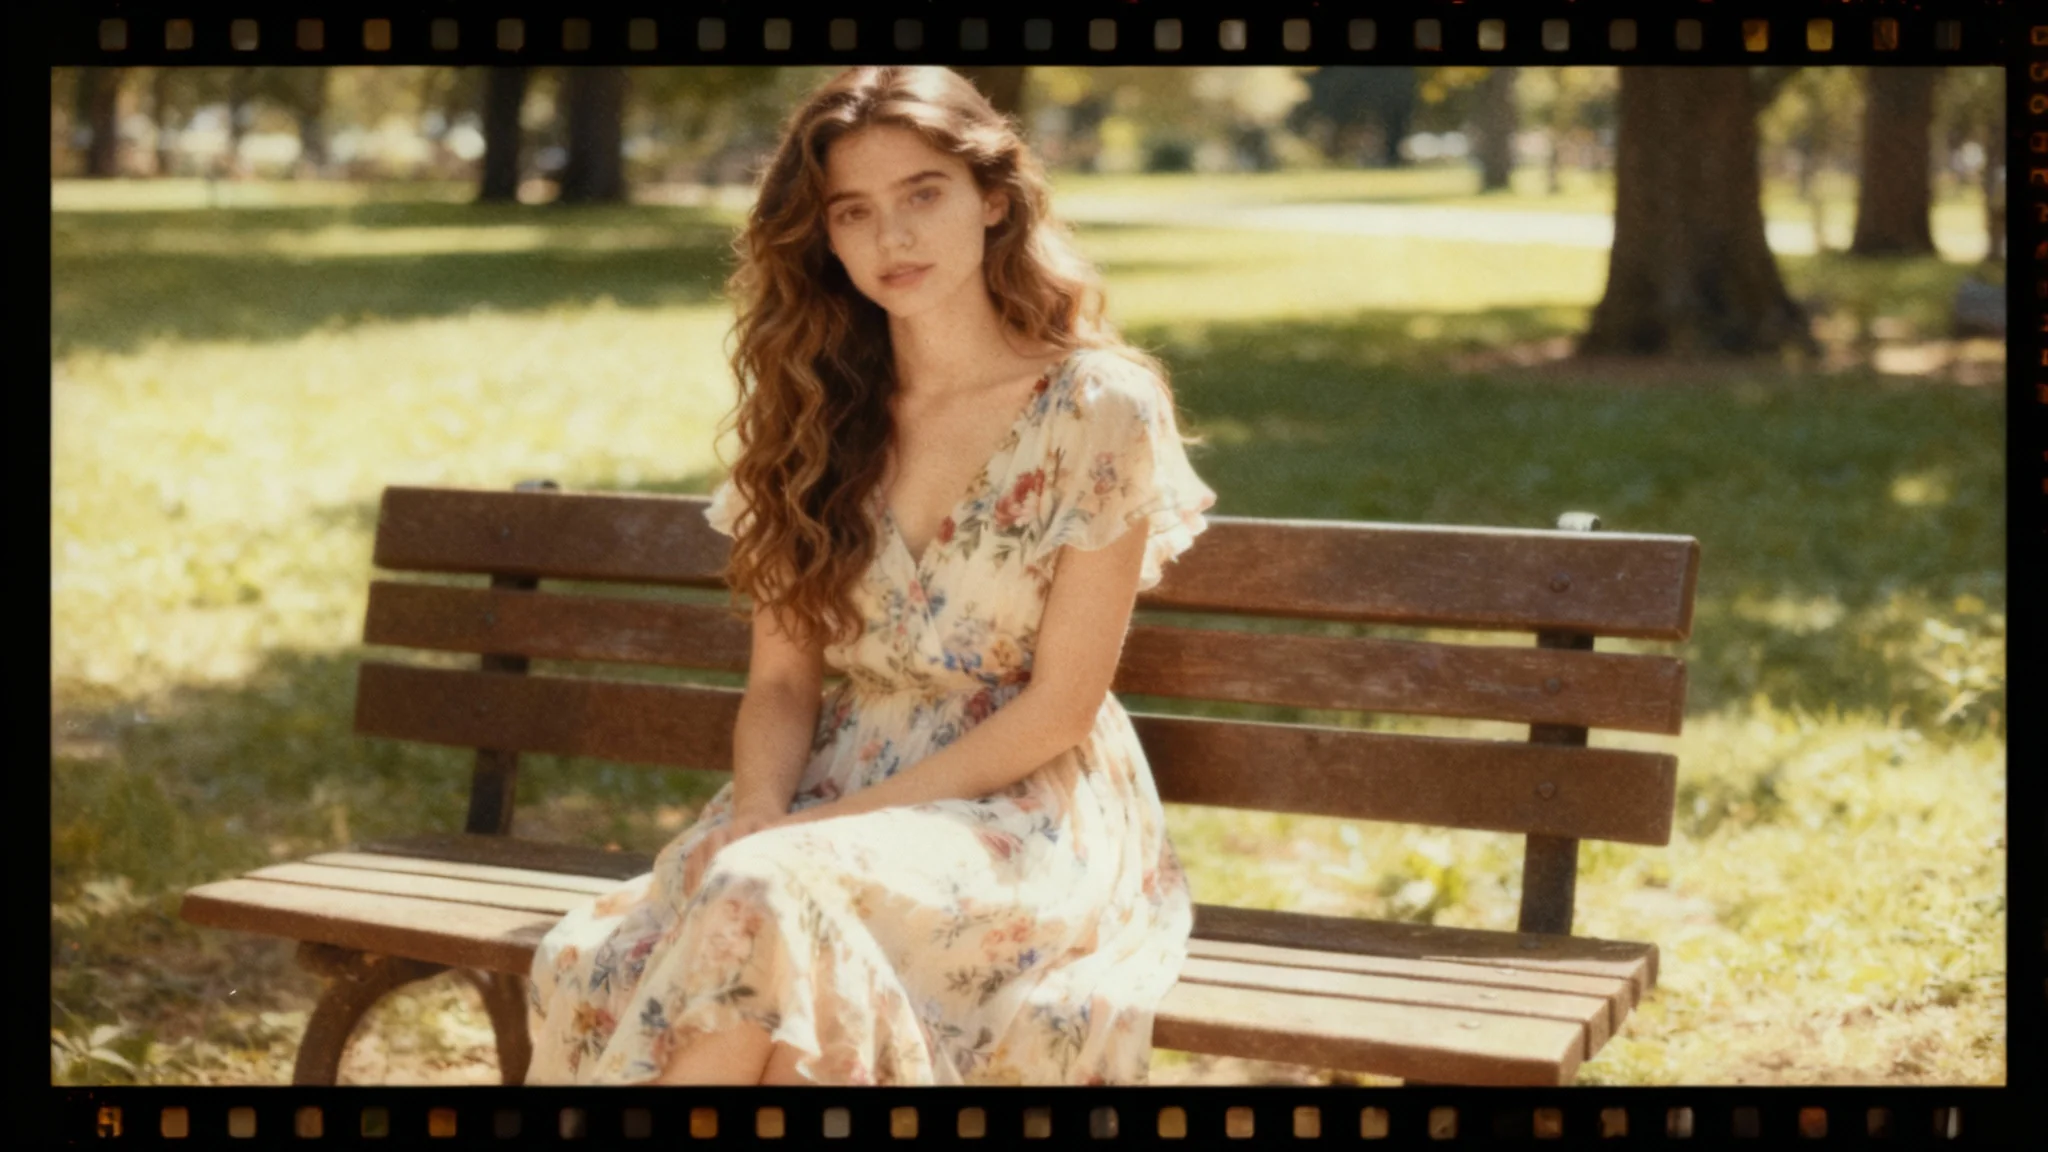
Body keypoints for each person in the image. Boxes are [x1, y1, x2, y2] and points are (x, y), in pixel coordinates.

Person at [524, 65, 1217, 1087]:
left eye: (921, 195)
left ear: (991, 197)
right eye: (854, 213)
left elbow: (1061, 709)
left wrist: (810, 838)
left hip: (1016, 813)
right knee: (644, 942)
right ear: (825, 237)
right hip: (817, 793)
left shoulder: (1095, 407)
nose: (891, 238)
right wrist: (761, 811)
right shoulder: (813, 417)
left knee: (759, 904)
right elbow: (780, 684)